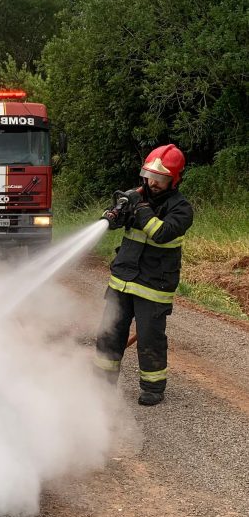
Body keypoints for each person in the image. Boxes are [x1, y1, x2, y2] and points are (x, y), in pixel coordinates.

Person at [95, 144, 193, 406]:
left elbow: (161, 233)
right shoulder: (135, 197)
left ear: (175, 179)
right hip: (122, 281)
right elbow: (115, 223)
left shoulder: (181, 209)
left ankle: (152, 388)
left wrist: (140, 207)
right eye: (149, 176)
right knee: (110, 333)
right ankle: (102, 384)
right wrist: (114, 214)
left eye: (160, 179)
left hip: (154, 284)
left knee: (150, 338)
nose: (153, 183)